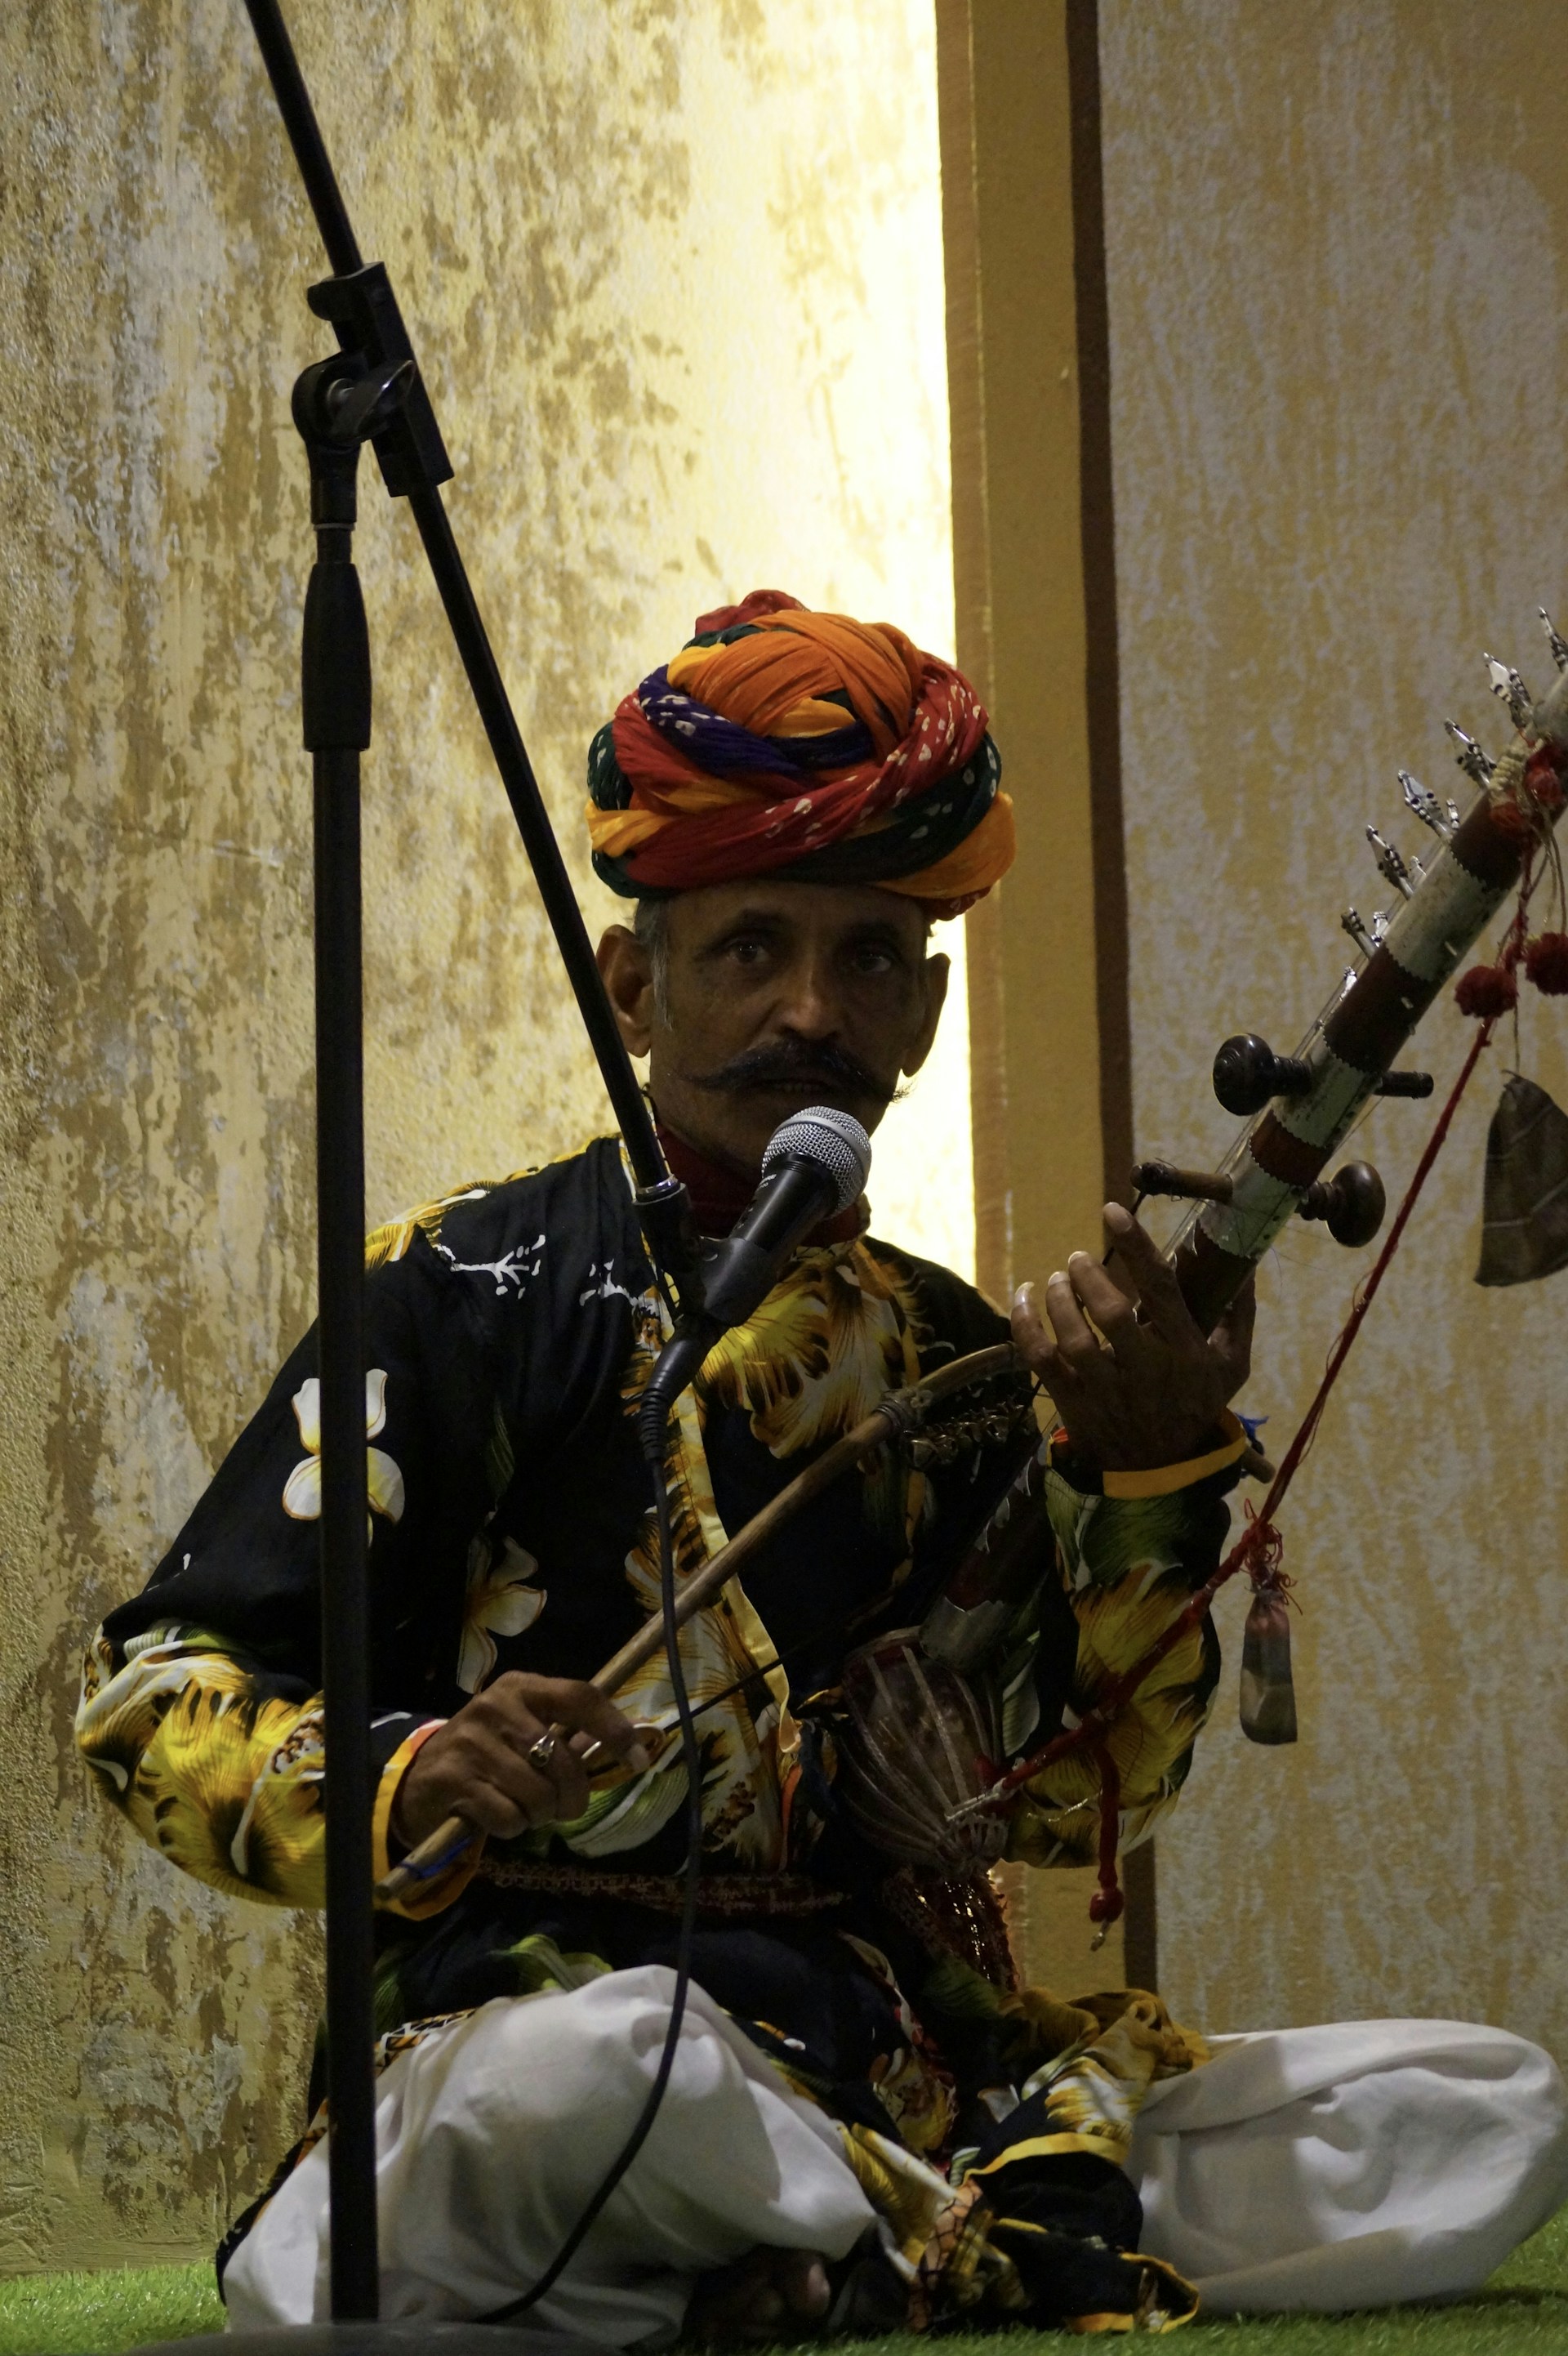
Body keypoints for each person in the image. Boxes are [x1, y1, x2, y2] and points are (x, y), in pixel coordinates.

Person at [78, 591, 1568, 2340]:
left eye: (869, 956)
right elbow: (154, 1694)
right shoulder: (460, 1287)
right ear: (634, 985)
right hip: (529, 2028)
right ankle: (885, 2240)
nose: (812, 1006)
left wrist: (1153, 1481)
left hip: (888, 2056)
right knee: (580, 2086)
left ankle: (817, 2246)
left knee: (1477, 2103)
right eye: (748, 948)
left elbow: (1092, 1798)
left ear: (924, 1010)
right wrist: (412, 1767)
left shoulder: (960, 1358)